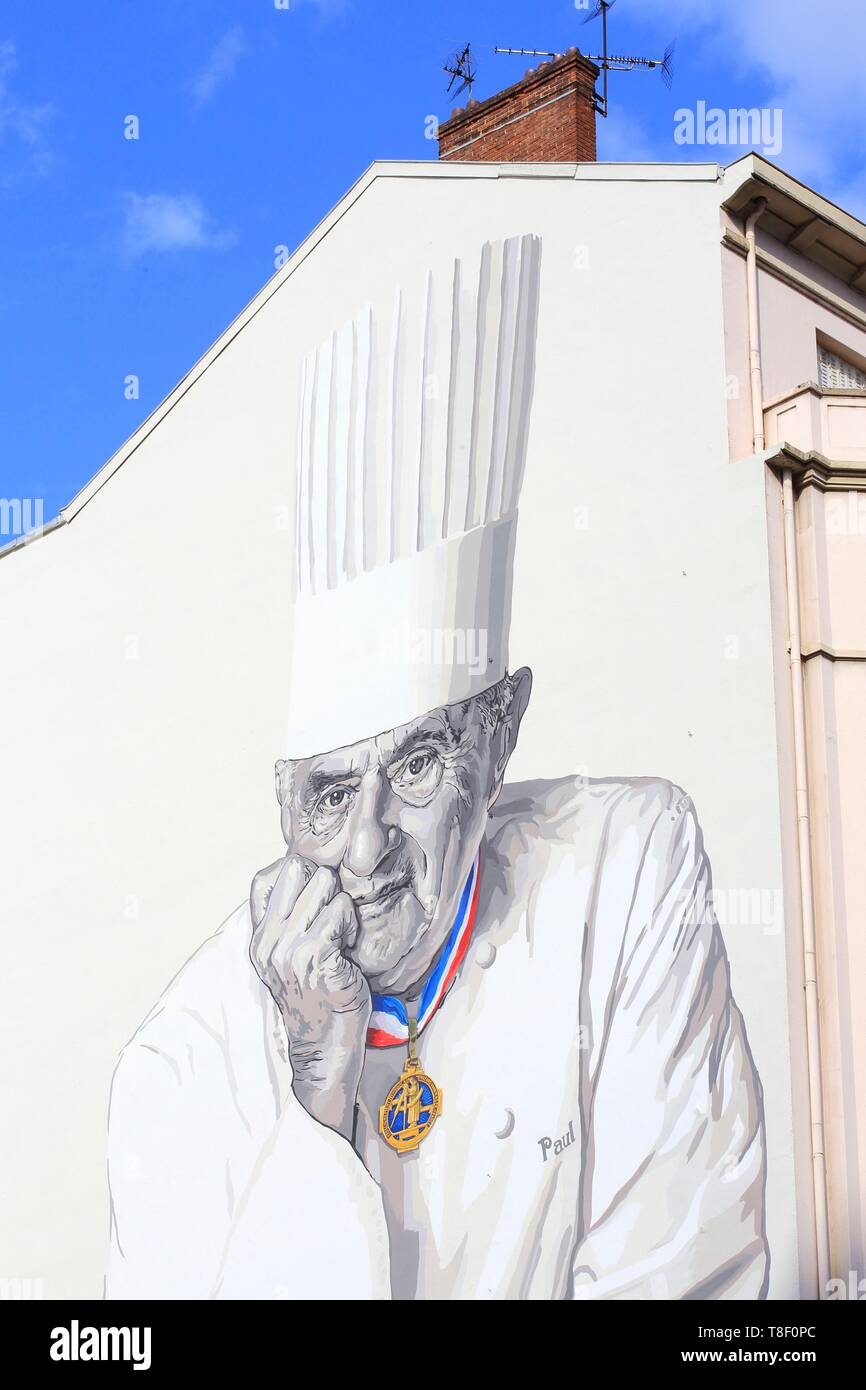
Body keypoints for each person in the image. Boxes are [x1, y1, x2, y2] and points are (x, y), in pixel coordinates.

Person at [105, 236, 768, 1300]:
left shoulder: (624, 868)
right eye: (326, 793)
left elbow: (690, 1291)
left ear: (499, 736)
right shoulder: (177, 1062)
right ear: (282, 798)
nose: (362, 850)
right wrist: (316, 1099)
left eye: (415, 763)